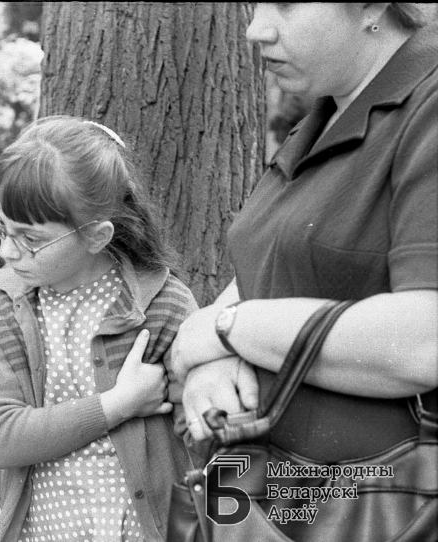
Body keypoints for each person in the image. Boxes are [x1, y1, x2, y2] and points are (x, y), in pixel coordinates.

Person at [172, 3, 437, 539]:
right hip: (271, 496)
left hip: (372, 504)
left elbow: (425, 340)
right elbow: (269, 266)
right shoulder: (328, 111)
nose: (256, 30)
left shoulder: (428, 105)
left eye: (286, 4)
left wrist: (225, 328)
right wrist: (208, 358)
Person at [0, 116, 198, 541]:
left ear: (95, 236)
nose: (6, 250)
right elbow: (2, 438)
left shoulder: (163, 307)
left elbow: (204, 435)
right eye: (1, 226)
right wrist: (120, 403)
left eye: (30, 238)